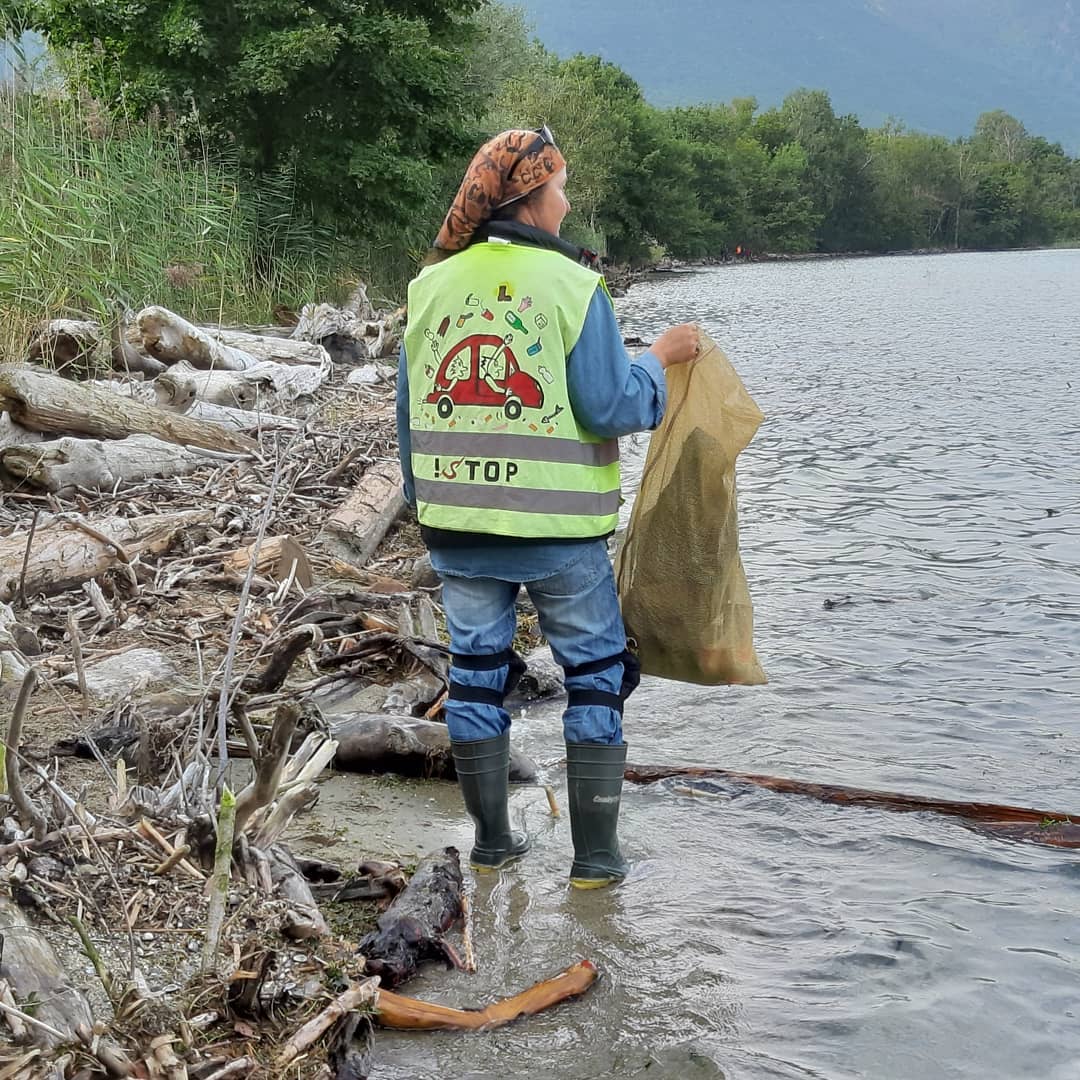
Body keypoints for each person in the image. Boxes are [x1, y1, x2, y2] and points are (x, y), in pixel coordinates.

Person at [396, 127, 699, 889]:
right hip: (557, 532)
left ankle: (494, 846)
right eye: (562, 187)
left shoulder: (430, 286)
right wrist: (656, 360)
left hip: (456, 528)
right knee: (597, 674)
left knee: (473, 676)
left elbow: (410, 417)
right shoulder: (574, 288)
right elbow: (610, 406)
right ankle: (596, 863)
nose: (567, 202)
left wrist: (425, 505)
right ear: (529, 197)